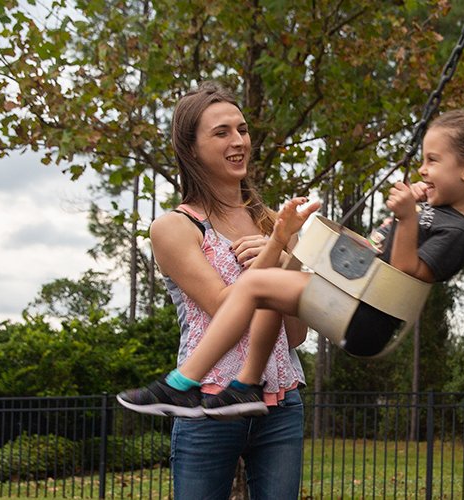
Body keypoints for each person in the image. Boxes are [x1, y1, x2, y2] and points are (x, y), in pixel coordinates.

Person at [118, 110, 464, 418]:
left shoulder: (461, 230)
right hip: (355, 296)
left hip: (369, 317)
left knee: (253, 285)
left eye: (432, 161)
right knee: (268, 288)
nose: (422, 171)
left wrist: (407, 217)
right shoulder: (437, 211)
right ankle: (246, 385)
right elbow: (378, 250)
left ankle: (181, 385)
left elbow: (408, 273)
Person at [151, 81, 311, 500]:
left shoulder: (273, 221)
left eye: (241, 129)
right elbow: (226, 309)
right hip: (207, 406)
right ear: (191, 147)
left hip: (281, 404)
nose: (238, 141)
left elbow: (295, 336)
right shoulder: (175, 228)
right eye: (221, 133)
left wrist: (283, 253)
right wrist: (276, 249)